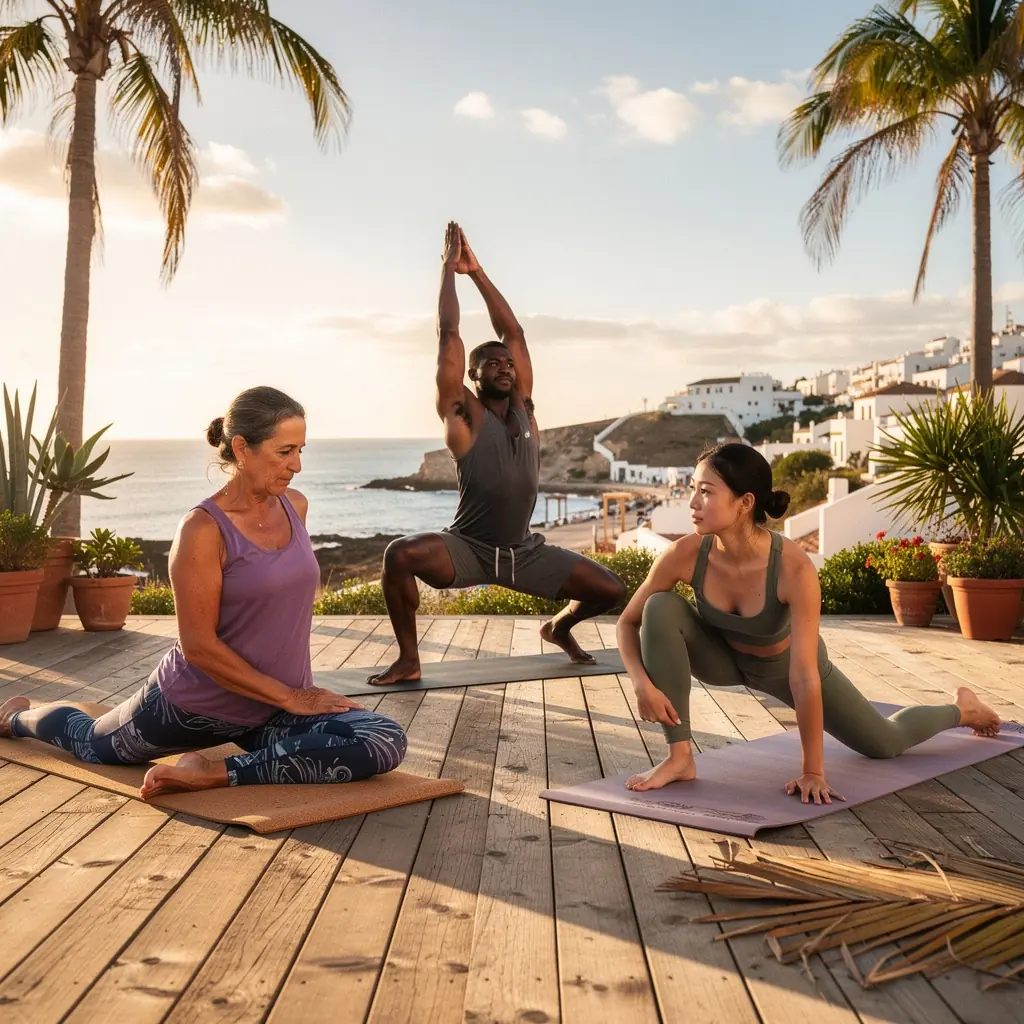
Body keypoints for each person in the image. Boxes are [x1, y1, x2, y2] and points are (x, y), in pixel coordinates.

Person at [0, 387, 408, 799]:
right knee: (90, 742)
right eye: (285, 451)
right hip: (193, 708)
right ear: (242, 448)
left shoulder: (295, 506)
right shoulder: (203, 529)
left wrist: (291, 699)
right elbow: (198, 646)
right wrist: (292, 696)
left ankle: (211, 772)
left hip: (272, 711)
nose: (297, 465)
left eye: (301, 450)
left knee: (382, 739)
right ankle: (17, 718)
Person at [615, 442, 1001, 804]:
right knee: (660, 606)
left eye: (706, 492)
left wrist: (813, 771)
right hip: (722, 660)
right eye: (693, 490)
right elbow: (628, 623)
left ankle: (962, 709)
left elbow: (803, 677)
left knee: (885, 742)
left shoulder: (793, 567)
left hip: (787, 669)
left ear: (745, 502)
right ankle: (680, 757)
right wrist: (641, 683)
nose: (693, 503)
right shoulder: (683, 554)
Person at [367, 222, 626, 685]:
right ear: (473, 375)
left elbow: (514, 332)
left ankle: (558, 628)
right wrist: (449, 270)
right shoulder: (462, 414)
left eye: (508, 363)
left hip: (524, 552)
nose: (505, 367)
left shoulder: (525, 408)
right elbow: (448, 332)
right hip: (467, 548)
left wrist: (478, 272)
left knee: (611, 590)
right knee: (399, 554)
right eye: (492, 364)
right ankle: (408, 659)